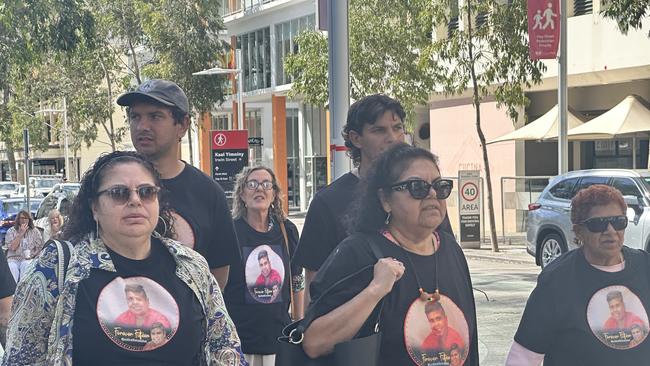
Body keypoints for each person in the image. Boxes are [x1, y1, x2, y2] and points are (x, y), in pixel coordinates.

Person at [2, 151, 246, 365]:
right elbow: (21, 358)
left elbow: (225, 350)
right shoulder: (56, 267)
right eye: (119, 193)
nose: (135, 200)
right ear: (94, 207)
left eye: (147, 192)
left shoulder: (191, 266)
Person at [302, 144, 477, 366]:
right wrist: (374, 291)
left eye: (440, 186)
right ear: (385, 200)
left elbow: (469, 344)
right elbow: (314, 342)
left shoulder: (452, 250)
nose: (432, 194)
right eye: (417, 187)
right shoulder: (358, 252)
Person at [293, 94, 455, 303]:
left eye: (397, 128)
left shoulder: (424, 189)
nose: (392, 138)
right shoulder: (328, 202)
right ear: (355, 138)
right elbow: (314, 286)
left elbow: (446, 256)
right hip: (360, 328)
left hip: (423, 320)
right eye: (379, 130)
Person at [507, 184, 650, 365]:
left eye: (618, 221)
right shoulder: (557, 281)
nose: (611, 231)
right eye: (598, 224)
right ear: (579, 231)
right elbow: (524, 357)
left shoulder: (645, 267)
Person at [117, 79, 240, 290]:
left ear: (182, 125)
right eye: (135, 117)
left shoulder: (208, 193)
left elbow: (218, 273)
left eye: (155, 116)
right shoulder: (110, 186)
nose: (142, 126)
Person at [224, 166, 304, 366]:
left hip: (278, 339)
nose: (259, 189)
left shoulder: (287, 230)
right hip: (240, 341)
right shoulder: (230, 232)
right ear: (242, 194)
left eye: (266, 184)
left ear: (274, 193)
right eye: (252, 184)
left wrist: (300, 324)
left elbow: (296, 279)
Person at [5, 210, 43, 282]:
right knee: (12, 267)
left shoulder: (35, 231)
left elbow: (39, 247)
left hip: (28, 258)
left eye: (26, 218)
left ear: (29, 220)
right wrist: (21, 233)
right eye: (21, 218)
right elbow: (12, 248)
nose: (24, 220)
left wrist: (32, 255)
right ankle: (13, 291)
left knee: (26, 265)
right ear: (18, 219)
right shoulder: (11, 231)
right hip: (13, 258)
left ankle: (22, 289)